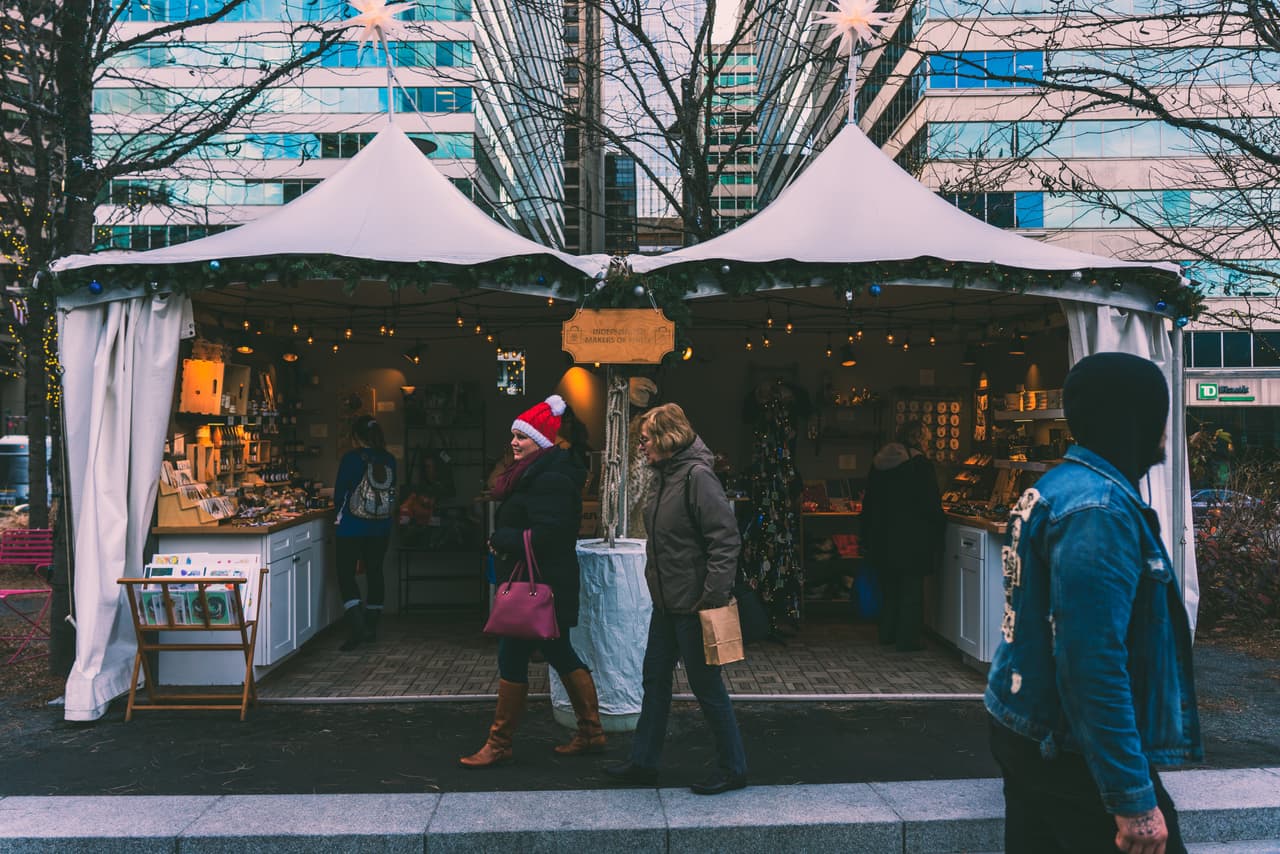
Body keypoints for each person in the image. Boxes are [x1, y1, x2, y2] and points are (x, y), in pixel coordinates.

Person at [985, 352, 1201, 854]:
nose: (1166, 431)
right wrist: (1133, 800)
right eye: (1160, 416)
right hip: (1068, 745)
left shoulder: (1057, 486)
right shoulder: (1097, 511)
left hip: (1025, 721)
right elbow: (1092, 663)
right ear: (1136, 422)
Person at [604, 402, 748, 795]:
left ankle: (733, 768)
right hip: (667, 606)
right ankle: (644, 763)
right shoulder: (665, 476)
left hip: (694, 606)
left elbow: (725, 539)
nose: (642, 446)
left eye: (647, 438)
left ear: (668, 438)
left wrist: (711, 598)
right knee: (654, 680)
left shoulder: (697, 477)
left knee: (707, 687)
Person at [460, 394, 605, 768]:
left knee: (514, 655)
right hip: (542, 584)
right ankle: (590, 731)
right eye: (513, 435)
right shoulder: (538, 472)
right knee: (557, 653)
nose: (513, 442)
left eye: (521, 437)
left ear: (540, 441)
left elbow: (550, 534)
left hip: (543, 586)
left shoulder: (550, 477)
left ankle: (500, 743)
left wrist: (502, 539)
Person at [860, 419, 945, 651]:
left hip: (882, 536)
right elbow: (930, 503)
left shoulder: (879, 463)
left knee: (889, 588)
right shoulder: (919, 465)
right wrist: (939, 526)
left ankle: (887, 633)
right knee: (911, 590)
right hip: (911, 538)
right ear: (919, 438)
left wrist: (866, 536)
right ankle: (907, 640)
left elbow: (869, 502)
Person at [333, 415, 397, 651]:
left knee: (345, 573)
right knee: (375, 571)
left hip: (352, 526)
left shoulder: (351, 459)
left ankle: (356, 625)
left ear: (357, 437)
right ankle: (371, 625)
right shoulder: (389, 459)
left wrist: (339, 516)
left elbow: (340, 494)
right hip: (381, 526)